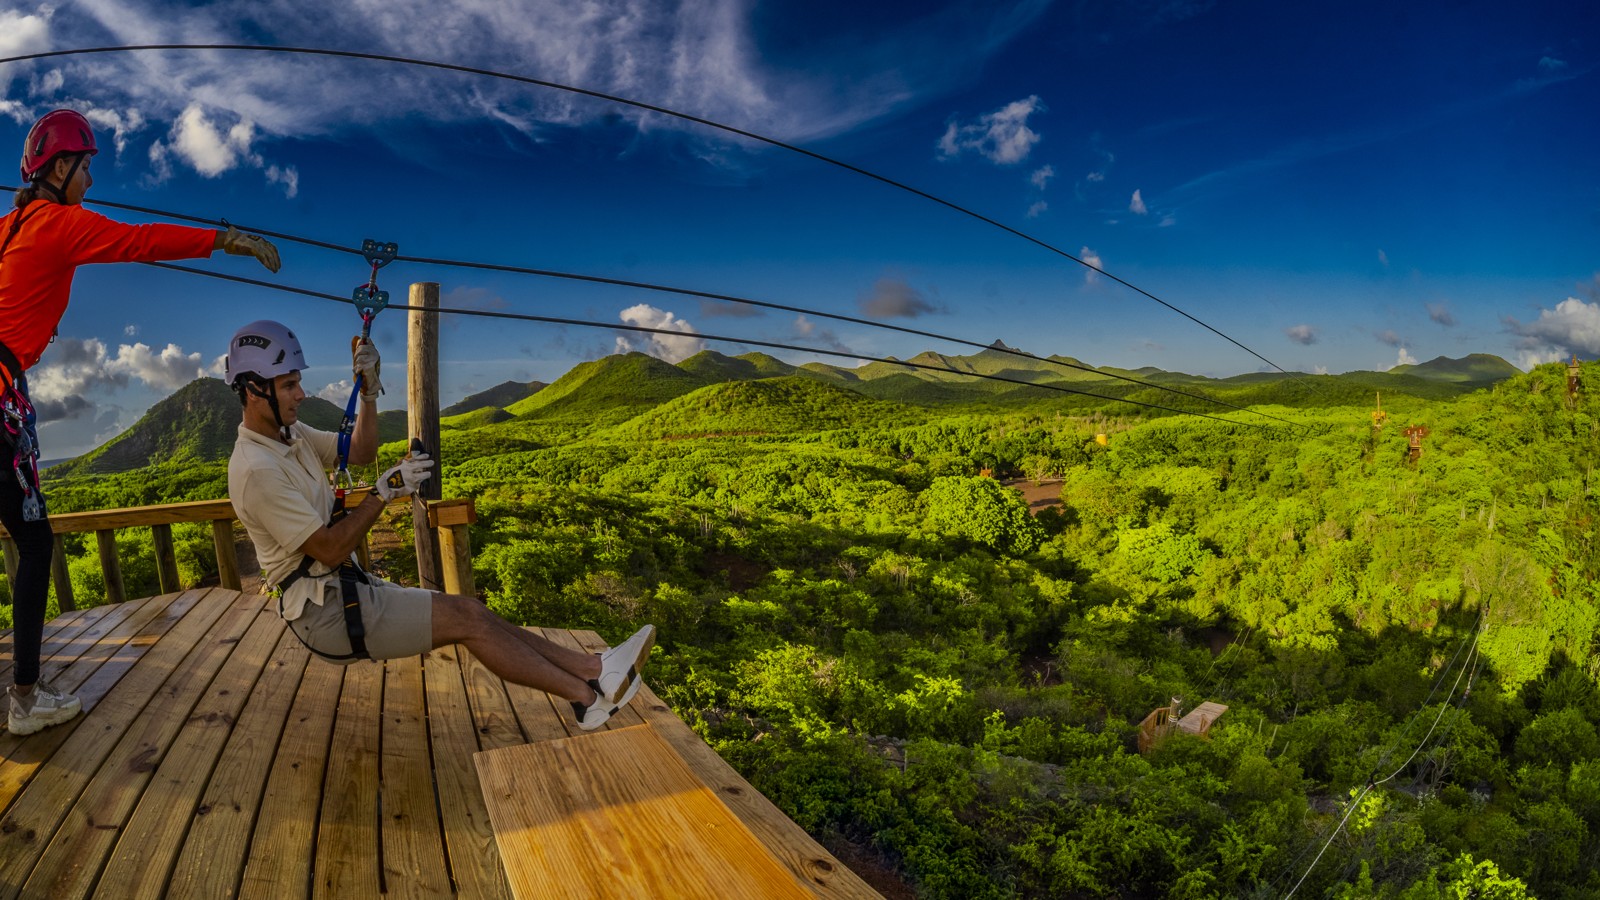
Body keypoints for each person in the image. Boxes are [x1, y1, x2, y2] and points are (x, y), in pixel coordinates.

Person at [2, 109, 283, 736]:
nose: (92, 178)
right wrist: (224, 239)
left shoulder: (7, 228)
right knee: (34, 541)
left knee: (29, 539)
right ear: (59, 168)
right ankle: (24, 697)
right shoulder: (57, 224)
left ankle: (25, 694)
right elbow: (139, 241)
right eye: (86, 165)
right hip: (0, 395)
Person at [224, 320, 653, 729]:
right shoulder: (257, 469)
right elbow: (330, 549)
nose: (300, 393)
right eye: (288, 385)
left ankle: (594, 672)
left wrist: (369, 394)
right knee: (466, 619)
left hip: (341, 588)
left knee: (472, 612)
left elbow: (360, 449)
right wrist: (383, 492)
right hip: (326, 614)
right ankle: (586, 697)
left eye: (296, 382)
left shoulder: (290, 437)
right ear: (253, 391)